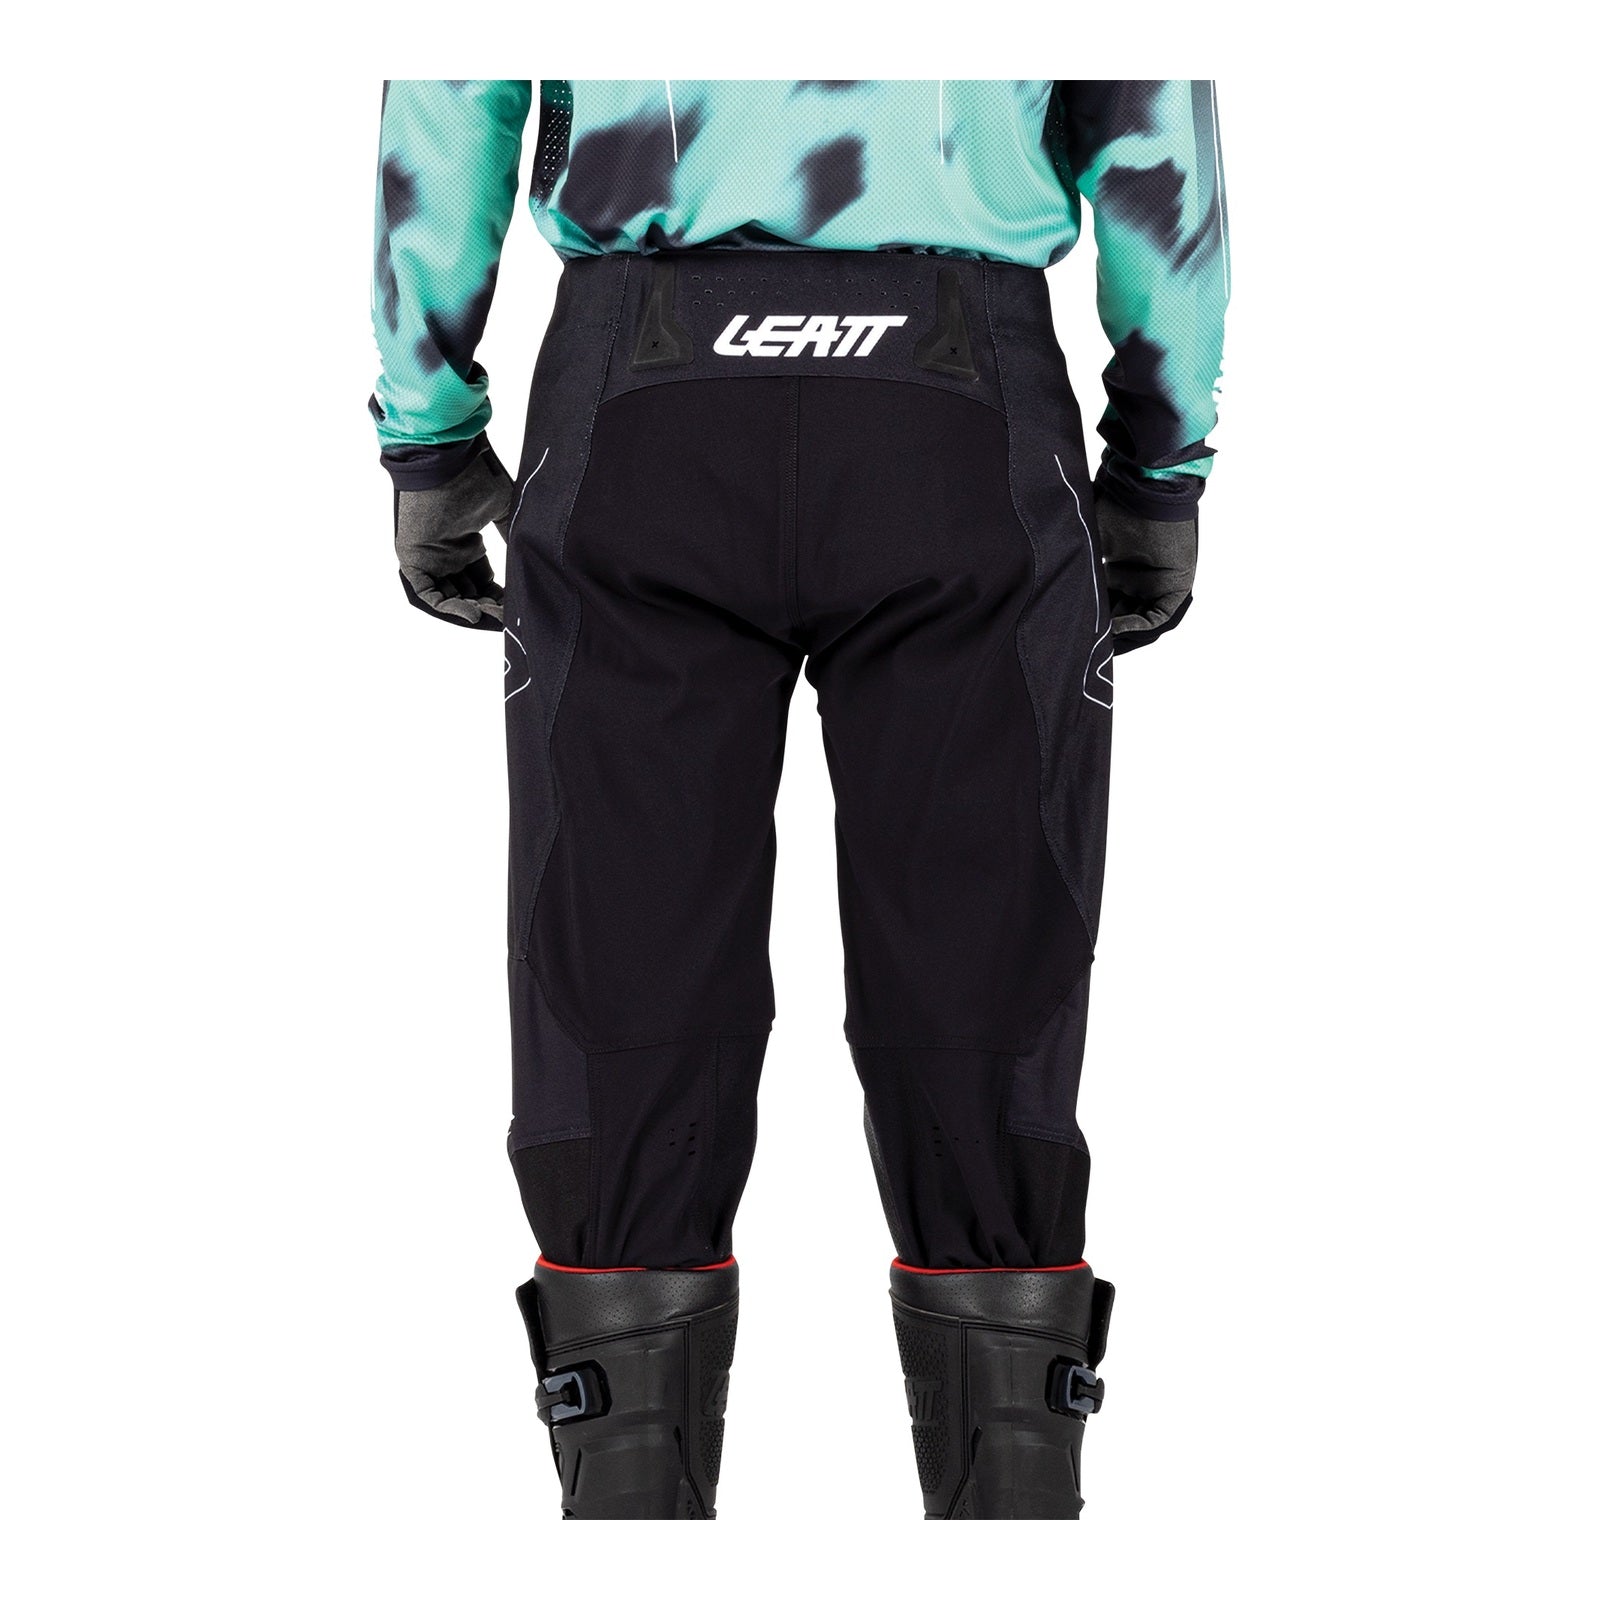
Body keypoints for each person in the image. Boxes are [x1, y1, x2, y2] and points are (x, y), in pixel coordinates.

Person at [369, 78, 1228, 1520]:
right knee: (984, 1004)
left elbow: (453, 95)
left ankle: (626, 1500)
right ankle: (1015, 1502)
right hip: (963, 409)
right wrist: (1160, 460)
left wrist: (430, 427)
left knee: (623, 997)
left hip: (640, 398)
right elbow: (1150, 116)